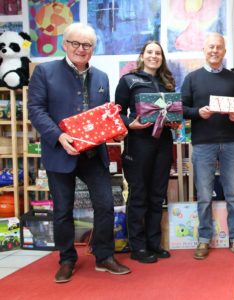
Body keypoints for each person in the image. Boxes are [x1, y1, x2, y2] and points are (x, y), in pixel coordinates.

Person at [28, 23, 130, 283]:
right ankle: (66, 259)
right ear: (64, 44)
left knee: (106, 205)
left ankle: (104, 257)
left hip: (93, 154)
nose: (81, 49)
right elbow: (36, 111)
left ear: (93, 49)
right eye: (76, 43)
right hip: (60, 152)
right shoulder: (44, 72)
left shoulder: (101, 77)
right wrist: (58, 136)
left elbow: (103, 116)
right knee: (62, 210)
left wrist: (116, 132)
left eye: (87, 45)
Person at [181, 32, 234, 260]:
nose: (214, 51)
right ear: (204, 49)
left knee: (233, 194)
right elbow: (182, 109)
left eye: (219, 47)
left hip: (231, 142)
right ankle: (203, 240)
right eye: (211, 47)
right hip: (203, 144)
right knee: (203, 195)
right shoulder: (192, 78)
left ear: (224, 51)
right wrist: (197, 113)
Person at [114, 41, 175, 264]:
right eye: (150, 52)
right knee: (139, 196)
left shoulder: (167, 82)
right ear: (142, 55)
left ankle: (153, 244)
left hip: (163, 144)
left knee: (157, 196)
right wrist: (131, 123)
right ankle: (137, 247)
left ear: (162, 57)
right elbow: (116, 113)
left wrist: (175, 121)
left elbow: (173, 111)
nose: (154, 56)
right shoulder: (128, 80)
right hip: (138, 144)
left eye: (158, 53)